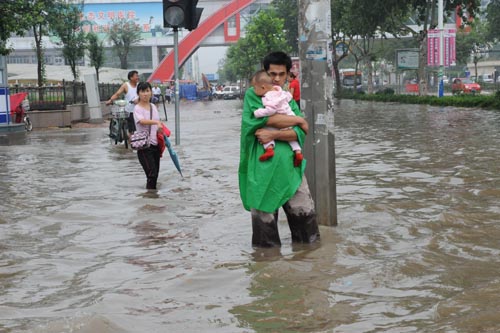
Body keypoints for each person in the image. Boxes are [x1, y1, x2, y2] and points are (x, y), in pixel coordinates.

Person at [238, 51, 320, 247]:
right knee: (265, 245)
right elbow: (264, 120)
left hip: (291, 170)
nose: (276, 79)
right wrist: (298, 120)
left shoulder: (287, 98)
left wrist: (273, 134)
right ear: (264, 74)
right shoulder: (255, 93)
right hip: (263, 173)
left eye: (280, 74)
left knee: (308, 238)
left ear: (288, 75)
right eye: (272, 74)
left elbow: (299, 134)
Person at [251, 70, 303, 167]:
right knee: (292, 138)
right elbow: (289, 97)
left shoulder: (268, 96)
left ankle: (269, 149)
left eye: (255, 88)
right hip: (291, 117)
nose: (254, 91)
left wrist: (258, 113)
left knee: (265, 130)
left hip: (281, 119)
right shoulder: (280, 91)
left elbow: (271, 110)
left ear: (263, 87)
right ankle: (298, 152)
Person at [133, 82, 164, 190]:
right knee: (152, 174)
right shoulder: (137, 108)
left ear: (151, 92)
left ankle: (151, 198)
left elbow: (158, 123)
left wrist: (161, 131)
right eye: (142, 91)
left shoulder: (153, 107)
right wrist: (156, 123)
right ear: (138, 93)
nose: (145, 94)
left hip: (155, 145)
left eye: (147, 91)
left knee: (155, 175)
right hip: (144, 146)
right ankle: (150, 200)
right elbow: (142, 121)